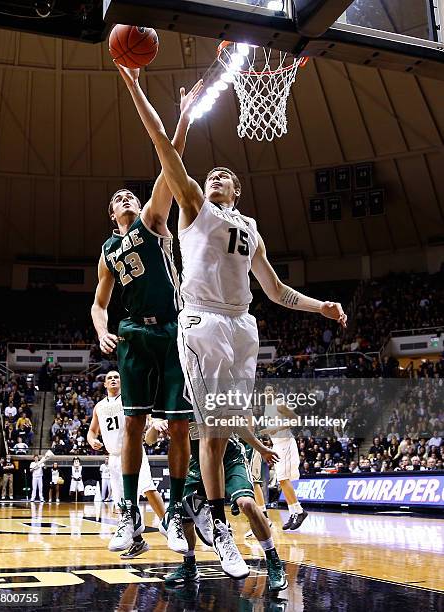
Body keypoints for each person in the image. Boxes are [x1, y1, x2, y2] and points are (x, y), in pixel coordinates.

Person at [117, 64, 347, 577]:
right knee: (212, 430)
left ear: (238, 191)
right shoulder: (195, 204)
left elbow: (275, 290)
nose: (217, 175)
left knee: (224, 426)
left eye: (227, 175)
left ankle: (213, 516)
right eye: (213, 172)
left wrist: (321, 307)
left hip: (244, 326)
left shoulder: (251, 229)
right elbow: (162, 144)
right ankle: (218, 526)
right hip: (201, 322)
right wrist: (136, 86)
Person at [90, 79, 202, 555]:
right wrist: (101, 331)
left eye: (128, 196)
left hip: (174, 328)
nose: (125, 199)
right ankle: (130, 519)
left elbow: (168, 163)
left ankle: (175, 513)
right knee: (133, 423)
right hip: (133, 334)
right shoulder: (108, 251)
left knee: (178, 426)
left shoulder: (152, 221)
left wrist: (183, 118)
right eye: (117, 199)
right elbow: (99, 302)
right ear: (110, 212)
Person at [146, 420, 286, 589]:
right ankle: (189, 565)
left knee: (247, 503)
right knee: (183, 518)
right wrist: (155, 426)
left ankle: (273, 560)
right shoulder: (176, 405)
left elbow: (237, 424)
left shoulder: (211, 398)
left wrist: (261, 448)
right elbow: (149, 440)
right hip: (198, 465)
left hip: (230, 458)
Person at [87, 370, 165, 559]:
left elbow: (146, 419)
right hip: (113, 457)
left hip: (133, 451)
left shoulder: (129, 399)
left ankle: (169, 523)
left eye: (116, 377)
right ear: (105, 384)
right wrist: (92, 441)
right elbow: (91, 431)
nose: (113, 379)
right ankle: (138, 543)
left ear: (121, 382)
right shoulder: (99, 406)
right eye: (109, 378)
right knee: (123, 504)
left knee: (148, 489)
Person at [259, 384, 308, 530]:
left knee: (283, 479)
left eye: (270, 390)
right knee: (282, 481)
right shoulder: (267, 408)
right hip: (277, 445)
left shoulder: (279, 404)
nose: (268, 392)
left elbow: (297, 420)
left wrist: (275, 429)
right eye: (265, 390)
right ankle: (293, 512)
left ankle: (299, 511)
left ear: (274, 393)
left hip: (286, 443)